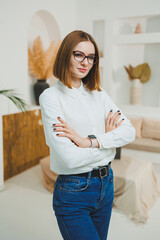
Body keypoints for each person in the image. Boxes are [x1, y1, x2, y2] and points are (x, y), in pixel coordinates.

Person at [39, 30, 135, 240]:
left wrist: (88, 142)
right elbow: (69, 158)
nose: (85, 62)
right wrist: (108, 147)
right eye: (78, 54)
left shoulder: (99, 94)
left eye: (91, 57)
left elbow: (129, 131)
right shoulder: (51, 97)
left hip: (106, 185)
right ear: (66, 54)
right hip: (74, 191)